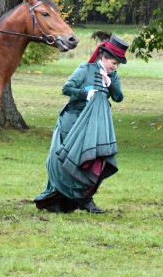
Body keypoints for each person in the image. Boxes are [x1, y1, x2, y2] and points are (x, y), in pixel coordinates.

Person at [35, 35, 129, 214]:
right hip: (72, 120)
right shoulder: (85, 68)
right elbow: (66, 89)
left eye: (117, 64)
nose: (115, 67)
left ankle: (85, 198)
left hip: (93, 127)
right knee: (61, 162)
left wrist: (109, 84)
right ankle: (54, 201)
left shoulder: (113, 76)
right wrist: (85, 94)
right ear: (103, 57)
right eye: (113, 63)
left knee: (91, 162)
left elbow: (118, 98)